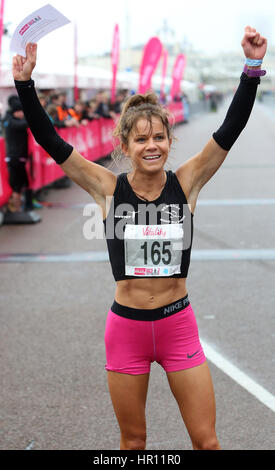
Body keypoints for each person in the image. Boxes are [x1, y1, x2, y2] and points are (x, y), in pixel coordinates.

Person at [12, 26, 267, 450]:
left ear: (169, 140)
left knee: (207, 442)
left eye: (159, 137)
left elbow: (230, 129)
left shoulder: (186, 182)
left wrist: (252, 68)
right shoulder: (108, 188)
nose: (152, 145)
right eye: (142, 139)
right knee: (133, 443)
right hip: (126, 329)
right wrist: (24, 84)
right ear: (125, 146)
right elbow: (50, 141)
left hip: (177, 325)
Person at [2, 95, 29, 212]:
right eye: (19, 111)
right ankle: (14, 208)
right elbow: (22, 124)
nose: (21, 113)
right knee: (15, 185)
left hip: (20, 157)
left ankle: (17, 207)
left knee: (20, 184)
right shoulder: (11, 122)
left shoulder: (13, 120)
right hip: (14, 157)